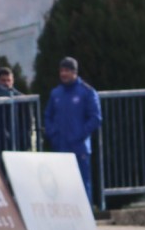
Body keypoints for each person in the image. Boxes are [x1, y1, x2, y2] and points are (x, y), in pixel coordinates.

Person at [43, 57, 102, 204]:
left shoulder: (87, 92)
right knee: (61, 185)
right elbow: (48, 115)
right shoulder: (56, 93)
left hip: (79, 148)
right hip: (60, 147)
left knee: (81, 184)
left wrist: (79, 135)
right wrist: (52, 134)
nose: (63, 74)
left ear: (74, 72)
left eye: (67, 71)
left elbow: (95, 118)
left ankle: (86, 217)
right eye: (62, 70)